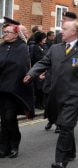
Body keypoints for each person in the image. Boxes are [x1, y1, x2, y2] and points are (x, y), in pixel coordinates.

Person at [23, 20, 78, 168]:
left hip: (73, 95)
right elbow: (42, 63)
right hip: (55, 94)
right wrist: (31, 74)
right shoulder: (55, 48)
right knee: (63, 124)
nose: (61, 31)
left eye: (65, 29)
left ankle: (60, 160)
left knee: (66, 126)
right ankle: (71, 152)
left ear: (74, 32)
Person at [0, 17, 34, 158]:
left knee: (9, 118)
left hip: (14, 90)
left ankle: (14, 145)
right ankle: (3, 147)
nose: (4, 34)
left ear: (15, 33)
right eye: (4, 32)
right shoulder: (1, 46)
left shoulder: (22, 48)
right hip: (1, 90)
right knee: (3, 119)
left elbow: (22, 67)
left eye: (7, 32)